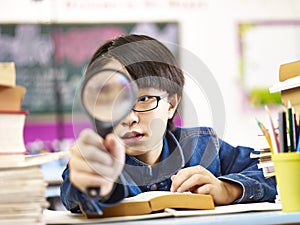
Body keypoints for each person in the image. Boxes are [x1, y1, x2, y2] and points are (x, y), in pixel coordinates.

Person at [60, 34, 277, 215]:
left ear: (171, 104)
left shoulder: (202, 145)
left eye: (144, 99)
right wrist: (96, 185)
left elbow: (274, 170)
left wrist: (227, 189)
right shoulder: (96, 158)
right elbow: (74, 192)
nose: (129, 118)